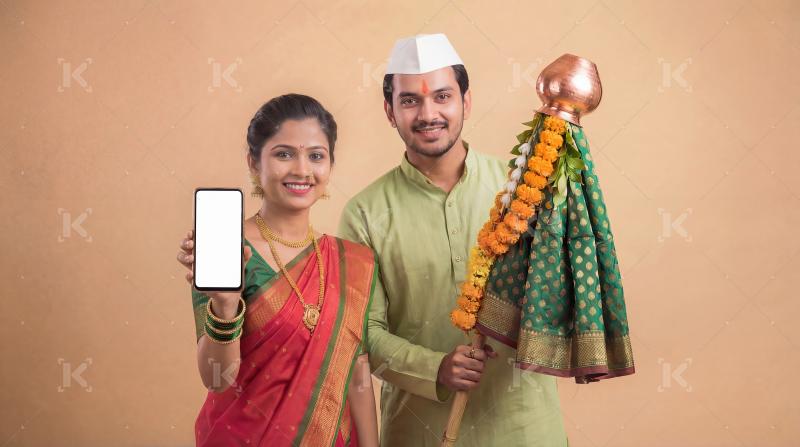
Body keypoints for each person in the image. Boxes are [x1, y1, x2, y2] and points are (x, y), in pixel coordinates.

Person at [338, 34, 568, 446]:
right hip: (419, 431)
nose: (429, 113)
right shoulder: (365, 214)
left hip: (525, 427)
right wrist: (435, 368)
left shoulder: (523, 192)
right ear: (390, 111)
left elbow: (564, 299)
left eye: (443, 96)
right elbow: (361, 332)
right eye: (410, 101)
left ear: (467, 101)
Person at [177, 94, 379, 447]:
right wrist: (225, 306)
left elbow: (357, 372)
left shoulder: (354, 262)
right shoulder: (225, 246)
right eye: (284, 153)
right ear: (254, 162)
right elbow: (216, 379)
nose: (302, 169)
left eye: (316, 155)